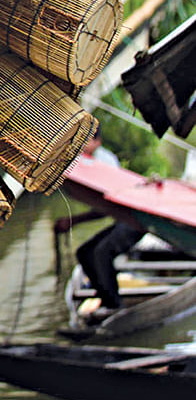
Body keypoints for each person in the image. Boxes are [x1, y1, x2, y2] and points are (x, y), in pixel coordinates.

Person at [74, 131, 144, 324]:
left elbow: (108, 206)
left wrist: (74, 221)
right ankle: (105, 296)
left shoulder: (104, 162)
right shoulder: (81, 162)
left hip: (135, 219)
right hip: (122, 219)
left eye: (86, 140)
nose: (82, 145)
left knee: (102, 252)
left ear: (97, 142)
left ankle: (114, 305)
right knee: (84, 252)